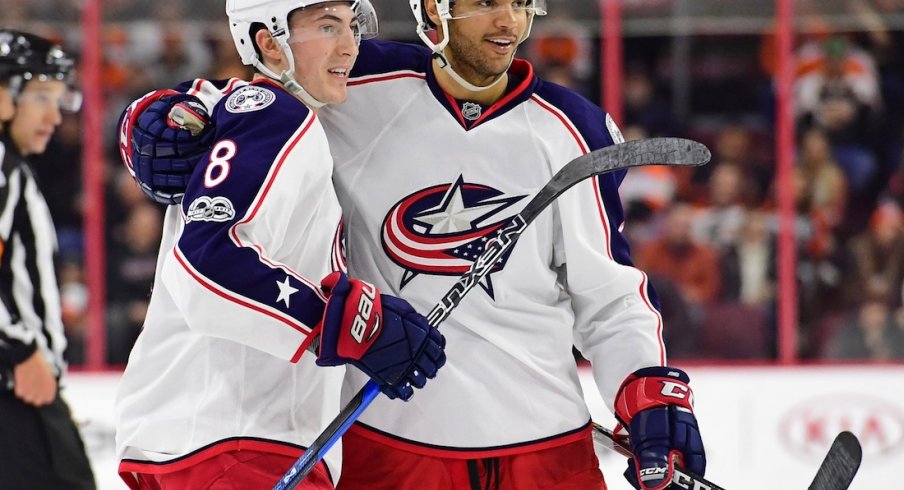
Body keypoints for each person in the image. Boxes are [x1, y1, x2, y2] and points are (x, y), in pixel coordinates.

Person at [122, 0, 708, 488]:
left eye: (519, 2)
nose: (508, 22)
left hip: (547, 445)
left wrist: (646, 387)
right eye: (484, 2)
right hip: (390, 444)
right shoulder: (355, 86)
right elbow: (260, 85)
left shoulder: (574, 128)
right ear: (434, 8)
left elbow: (608, 296)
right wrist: (164, 113)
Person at [113, 1, 446, 489]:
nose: (350, 44)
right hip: (237, 444)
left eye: (352, 27)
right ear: (269, 43)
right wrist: (352, 326)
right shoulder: (278, 115)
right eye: (327, 26)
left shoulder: (249, 113)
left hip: (208, 442)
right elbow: (205, 265)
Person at [0, 29, 96, 489]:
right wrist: (16, 350)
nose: (54, 116)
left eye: (59, 100)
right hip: (16, 390)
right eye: (40, 96)